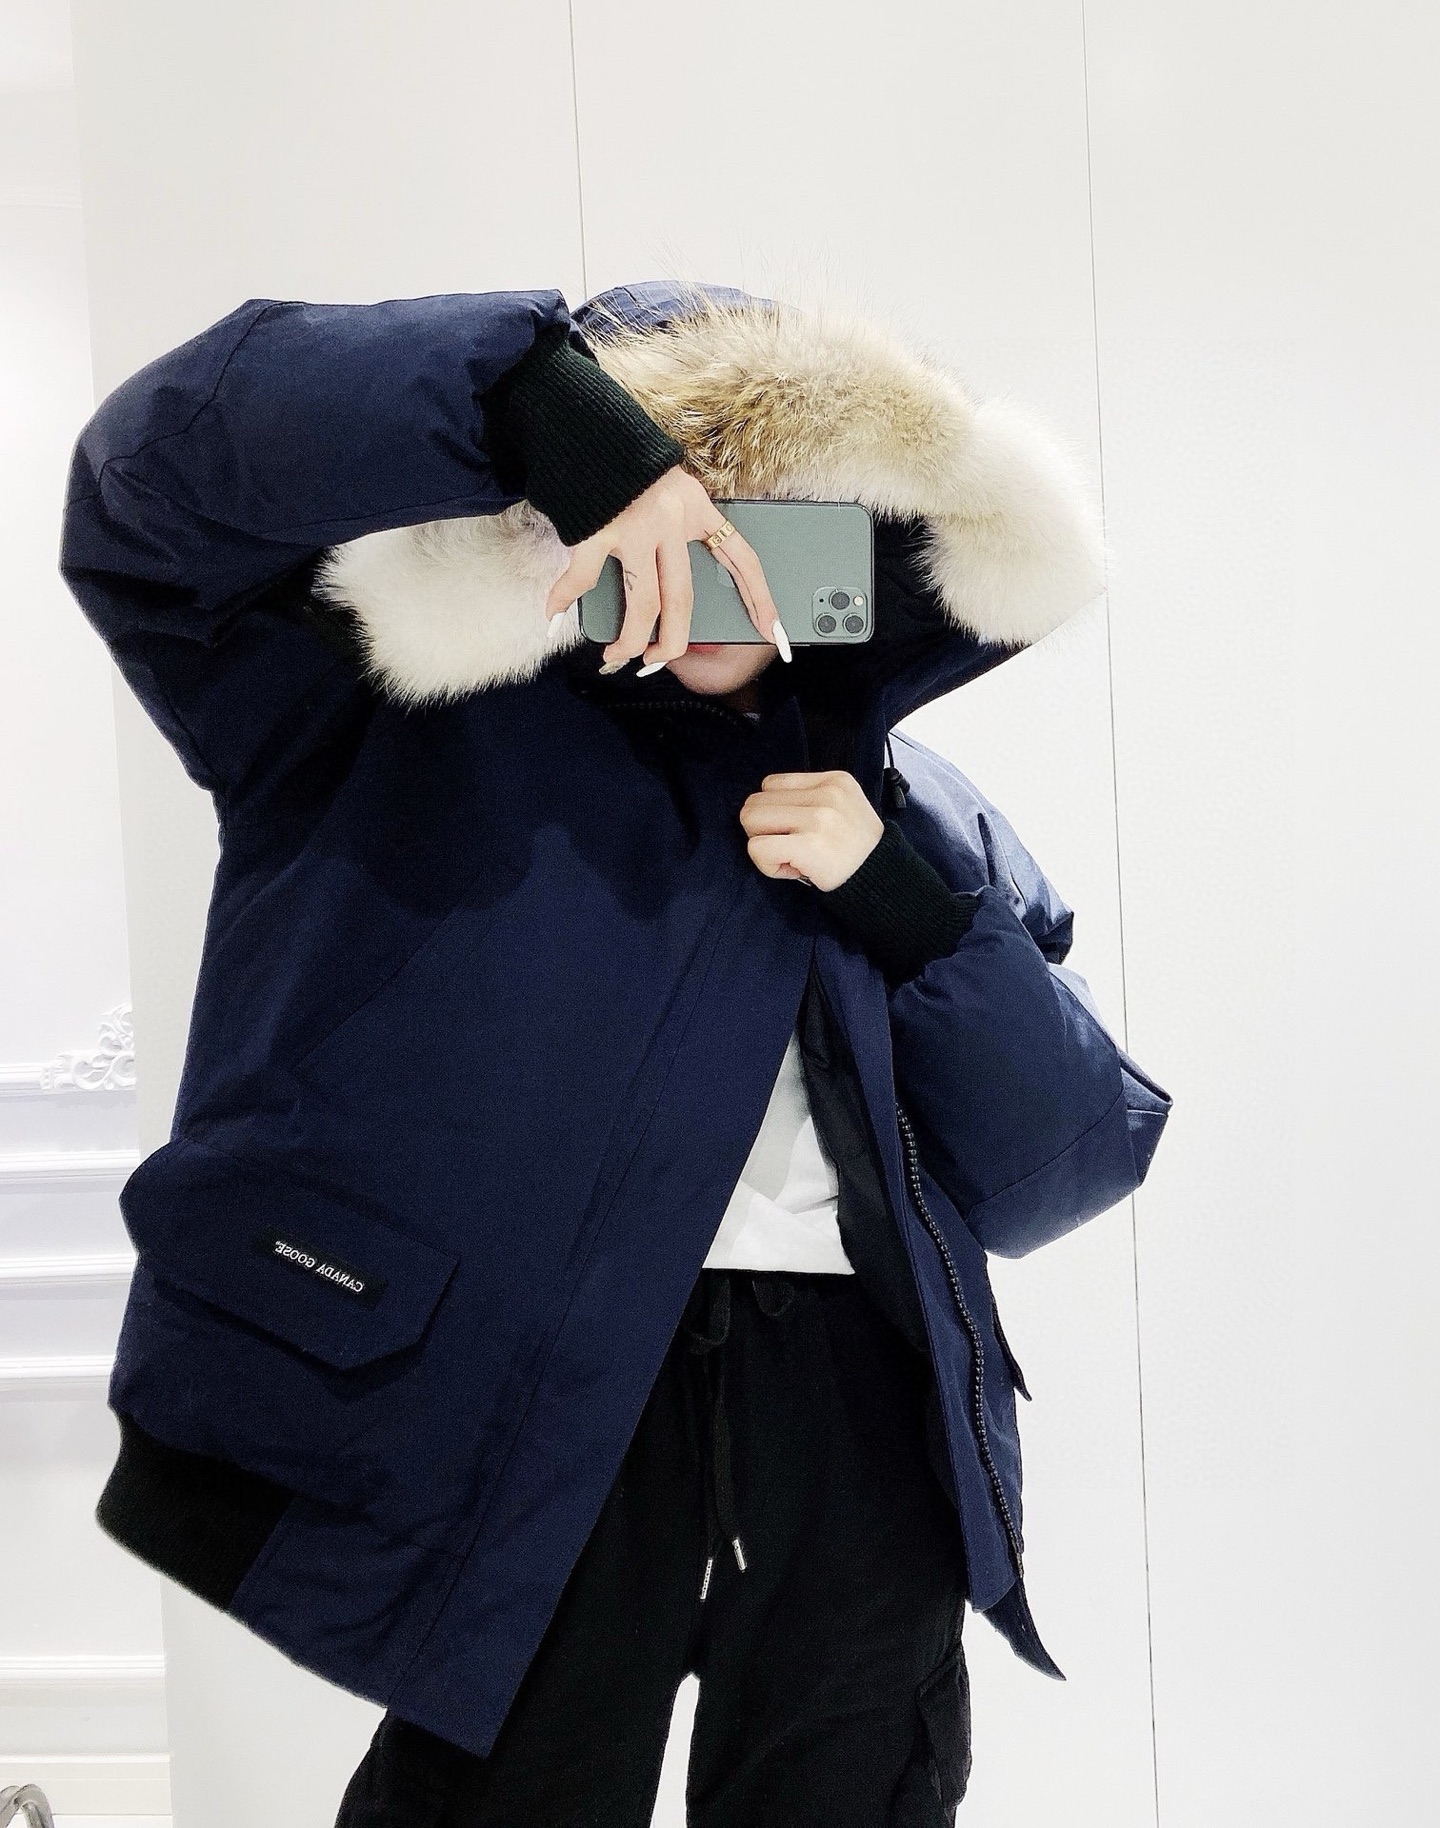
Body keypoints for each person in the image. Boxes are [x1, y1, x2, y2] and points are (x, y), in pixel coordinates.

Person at [60, 277, 1172, 1826]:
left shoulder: (915, 804)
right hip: (541, 1376)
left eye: (784, 525)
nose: (727, 568)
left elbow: (1060, 1164)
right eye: (690, 518)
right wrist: (542, 411)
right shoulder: (384, 722)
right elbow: (142, 482)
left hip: (854, 1393)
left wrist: (913, 911)